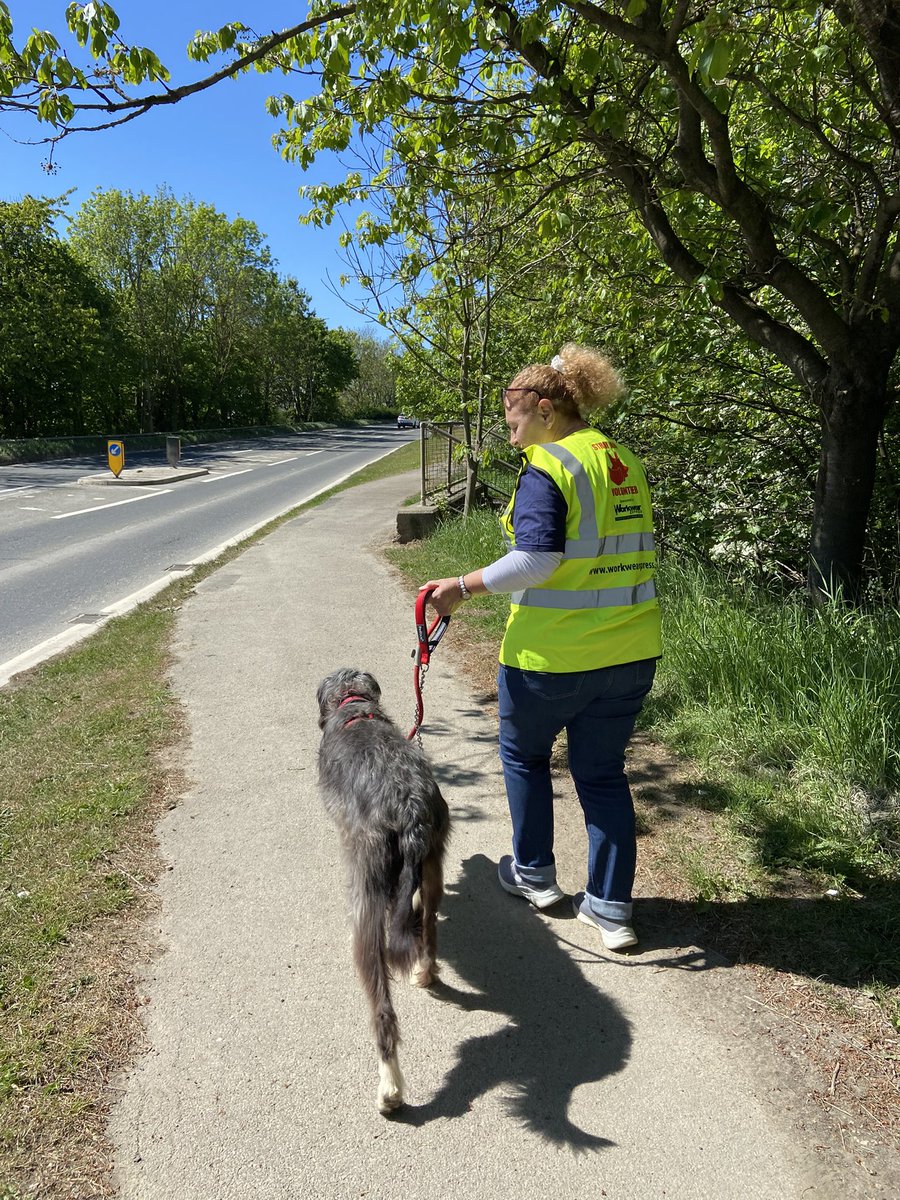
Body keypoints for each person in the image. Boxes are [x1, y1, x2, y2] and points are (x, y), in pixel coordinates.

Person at [421, 343, 662, 950]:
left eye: (514, 423)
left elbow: (538, 557)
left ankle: (535, 877)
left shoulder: (549, 466)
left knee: (525, 760)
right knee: (603, 775)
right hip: (631, 652)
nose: (512, 438)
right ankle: (610, 911)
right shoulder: (622, 459)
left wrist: (461, 587)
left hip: (551, 659)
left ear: (545, 408)